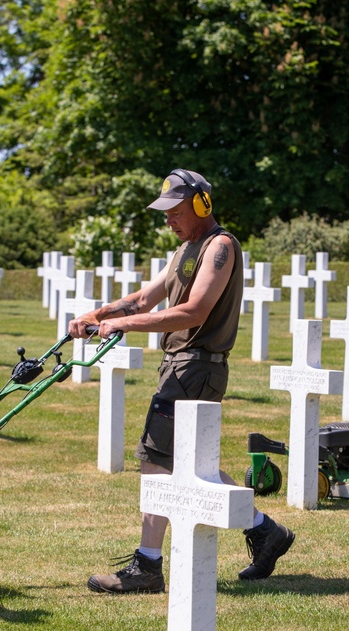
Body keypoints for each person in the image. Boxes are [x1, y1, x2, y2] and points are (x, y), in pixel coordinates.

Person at [68, 169, 295, 593]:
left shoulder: (220, 247)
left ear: (200, 205)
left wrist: (125, 326)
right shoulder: (185, 250)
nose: (167, 220)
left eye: (173, 211)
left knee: (156, 458)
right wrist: (97, 315)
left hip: (196, 367)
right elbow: (142, 298)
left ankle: (147, 565)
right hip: (183, 366)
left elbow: (194, 312)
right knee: (190, 466)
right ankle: (265, 531)